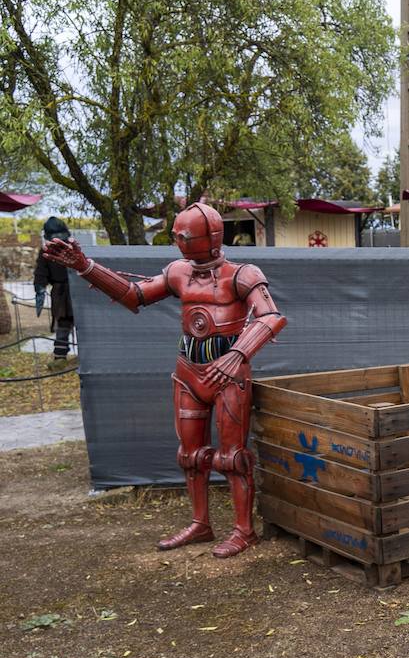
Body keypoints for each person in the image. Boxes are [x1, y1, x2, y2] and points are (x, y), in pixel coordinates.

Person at [42, 203, 287, 558]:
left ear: (209, 237)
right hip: (189, 371)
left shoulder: (243, 274)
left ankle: (243, 530)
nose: (179, 241)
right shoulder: (178, 272)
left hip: (228, 374)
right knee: (190, 455)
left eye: (184, 236)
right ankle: (201, 524)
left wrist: (237, 355)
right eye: (177, 235)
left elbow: (271, 317)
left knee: (232, 456)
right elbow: (134, 295)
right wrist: (84, 266)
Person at [33, 216, 77, 367]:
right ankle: (60, 358)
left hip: (67, 292)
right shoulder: (72, 248)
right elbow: (40, 276)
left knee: (66, 324)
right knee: (66, 324)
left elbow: (40, 276)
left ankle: (60, 357)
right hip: (66, 292)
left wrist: (39, 291)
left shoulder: (70, 249)